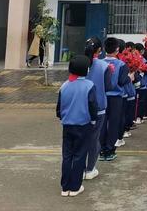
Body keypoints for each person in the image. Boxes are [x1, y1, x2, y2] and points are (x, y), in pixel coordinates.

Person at [57, 55, 97, 197]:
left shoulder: (64, 85)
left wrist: (64, 117)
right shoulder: (89, 85)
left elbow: (59, 108)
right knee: (80, 155)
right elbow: (93, 106)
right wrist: (93, 120)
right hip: (83, 125)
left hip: (67, 125)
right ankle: (75, 187)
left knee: (67, 155)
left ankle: (65, 187)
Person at [84, 37, 112, 180]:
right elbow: (108, 87)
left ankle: (80, 167)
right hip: (99, 107)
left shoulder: (79, 63)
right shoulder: (103, 66)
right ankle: (90, 169)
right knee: (94, 139)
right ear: (100, 50)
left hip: (81, 107)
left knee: (82, 138)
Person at [99, 37, 130, 161]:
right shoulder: (121, 64)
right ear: (117, 50)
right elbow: (122, 81)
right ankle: (110, 150)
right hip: (116, 98)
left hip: (102, 96)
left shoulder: (99, 63)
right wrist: (130, 78)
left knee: (102, 123)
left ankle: (101, 149)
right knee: (113, 124)